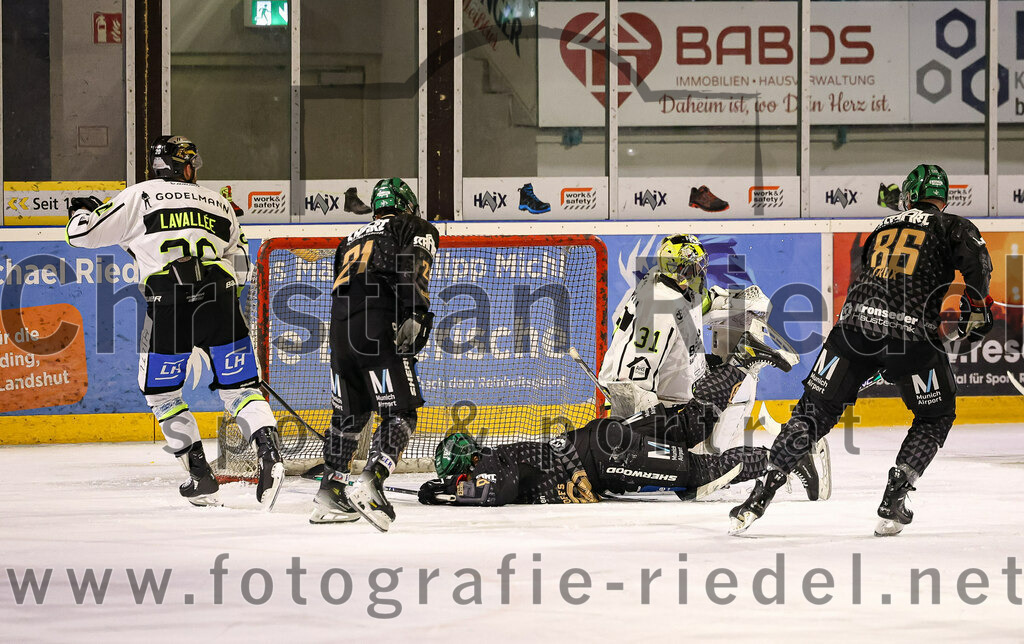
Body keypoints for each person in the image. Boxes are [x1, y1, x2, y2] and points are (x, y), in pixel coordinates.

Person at [729, 164, 994, 537]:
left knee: (813, 413)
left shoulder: (882, 227)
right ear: (943, 197)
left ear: (909, 194)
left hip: (852, 331)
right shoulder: (951, 225)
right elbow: (979, 265)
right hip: (910, 338)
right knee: (936, 416)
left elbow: (869, 277)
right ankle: (896, 494)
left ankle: (760, 494)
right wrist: (978, 307)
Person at [65, 135, 284, 510]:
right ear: (183, 165)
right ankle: (269, 455)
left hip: (169, 300)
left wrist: (81, 214)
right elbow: (243, 267)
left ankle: (200, 476)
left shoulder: (140, 195)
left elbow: (81, 235)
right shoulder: (218, 201)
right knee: (241, 387)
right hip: (220, 295)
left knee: (162, 394)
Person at [419, 341, 830, 506]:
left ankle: (787, 458)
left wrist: (445, 493)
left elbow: (497, 491)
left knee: (699, 475)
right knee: (689, 427)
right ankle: (741, 359)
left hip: (609, 456)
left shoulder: (487, 468)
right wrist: (446, 487)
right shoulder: (491, 458)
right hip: (604, 438)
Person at [310, 177, 440, 531]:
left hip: (339, 328)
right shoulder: (413, 225)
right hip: (377, 321)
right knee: (402, 412)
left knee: (349, 417)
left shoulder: (349, 238)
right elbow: (414, 266)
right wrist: (416, 312)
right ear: (407, 203)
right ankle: (371, 480)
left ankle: (330, 492)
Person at [599, 233, 794, 452]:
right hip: (653, 409)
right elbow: (629, 384)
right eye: (694, 266)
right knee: (739, 374)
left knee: (731, 373)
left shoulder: (669, 284)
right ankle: (712, 456)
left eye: (700, 266)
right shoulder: (657, 310)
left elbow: (702, 304)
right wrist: (646, 439)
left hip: (672, 381)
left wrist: (740, 300)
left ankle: (714, 453)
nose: (700, 271)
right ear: (677, 268)